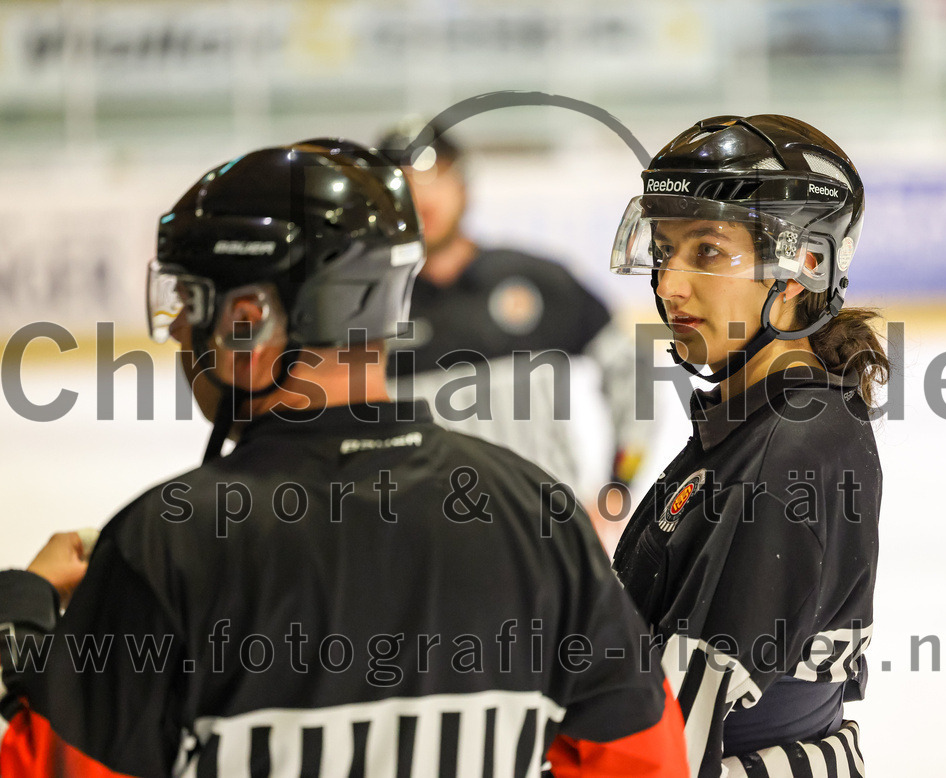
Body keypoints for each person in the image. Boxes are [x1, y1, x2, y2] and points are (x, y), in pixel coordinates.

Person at [0, 140, 687, 776]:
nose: (179, 329)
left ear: (249, 321)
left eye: (190, 301)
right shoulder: (541, 518)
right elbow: (644, 760)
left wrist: (21, 627)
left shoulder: (167, 545)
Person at [609, 115, 886, 778]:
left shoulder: (788, 445)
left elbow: (673, 736)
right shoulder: (760, 422)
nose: (670, 285)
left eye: (706, 251)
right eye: (665, 249)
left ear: (804, 263)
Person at [375, 120, 662, 543]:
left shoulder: (538, 281)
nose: (421, 193)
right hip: (425, 550)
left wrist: (618, 488)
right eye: (400, 182)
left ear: (463, 183)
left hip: (549, 542)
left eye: (435, 174)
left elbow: (633, 375)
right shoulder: (368, 311)